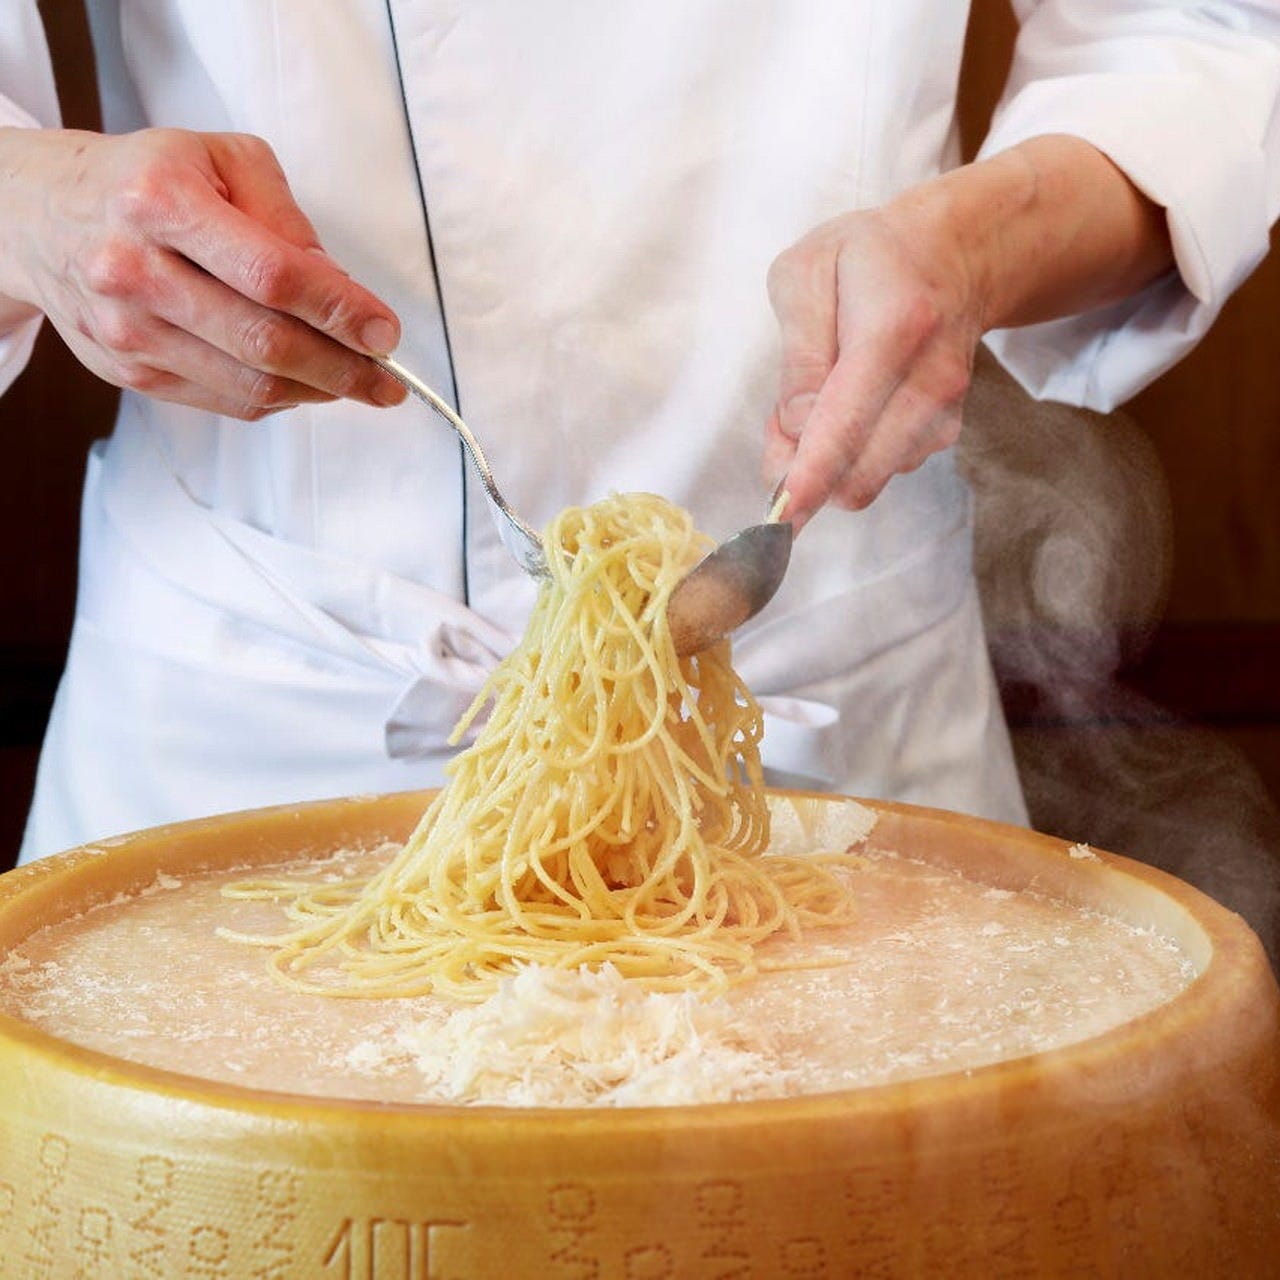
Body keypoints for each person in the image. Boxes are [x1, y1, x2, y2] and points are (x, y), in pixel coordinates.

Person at [1, 3, 1277, 860]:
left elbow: (1192, 31)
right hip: (256, 727)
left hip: (835, 715)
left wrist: (979, 246)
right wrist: (38, 207)